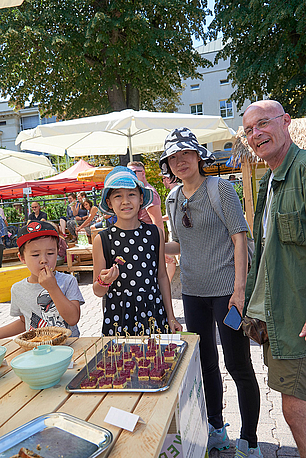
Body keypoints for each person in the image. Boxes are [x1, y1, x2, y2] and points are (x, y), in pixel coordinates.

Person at [159, 127, 261, 456]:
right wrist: (153, 238)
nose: (180, 161)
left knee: (238, 364)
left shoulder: (221, 189)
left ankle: (250, 441)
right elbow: (181, 244)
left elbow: (239, 238)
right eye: (173, 157)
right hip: (192, 293)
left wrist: (239, 291)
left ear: (198, 156)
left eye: (185, 154)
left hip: (226, 294)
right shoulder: (172, 198)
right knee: (204, 363)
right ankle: (217, 428)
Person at [243, 100, 306, 456]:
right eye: (249, 130)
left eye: (262, 124)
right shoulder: (269, 180)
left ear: (286, 122)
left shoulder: (303, 170)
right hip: (279, 318)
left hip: (297, 319)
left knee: (296, 410)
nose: (255, 134)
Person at [92, 166, 182, 337]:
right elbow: (97, 291)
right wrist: (104, 281)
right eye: (118, 195)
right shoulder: (102, 239)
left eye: (131, 194)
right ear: (109, 203)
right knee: (120, 362)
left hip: (153, 312)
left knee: (157, 361)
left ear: (141, 199)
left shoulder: (155, 233)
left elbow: (162, 277)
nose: (125, 201)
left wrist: (171, 316)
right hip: (119, 315)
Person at [0, 221, 84, 339]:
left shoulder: (68, 281)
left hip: (69, 348)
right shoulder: (18, 289)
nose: (43, 260)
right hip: (37, 350)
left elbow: (72, 319)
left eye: (50, 253)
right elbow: (25, 322)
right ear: (22, 258)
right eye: (35, 255)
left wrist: (52, 287)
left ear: (57, 252)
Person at [127, 161, 164, 234]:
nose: (130, 176)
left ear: (143, 173)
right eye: (128, 173)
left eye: (133, 172)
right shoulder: (140, 191)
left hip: (149, 238)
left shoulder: (150, 193)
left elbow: (158, 223)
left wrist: (160, 244)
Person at [161, 173, 180, 282]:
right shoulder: (177, 191)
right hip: (173, 233)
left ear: (168, 179)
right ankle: (166, 285)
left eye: (163, 179)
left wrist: (158, 218)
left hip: (176, 235)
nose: (163, 182)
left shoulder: (175, 193)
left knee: (175, 261)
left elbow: (172, 215)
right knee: (170, 261)